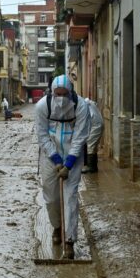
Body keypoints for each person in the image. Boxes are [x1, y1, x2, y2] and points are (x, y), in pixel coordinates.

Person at [35, 75, 90, 259]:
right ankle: (57, 227)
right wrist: (57, 160)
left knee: (70, 197)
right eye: (56, 94)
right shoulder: (43, 106)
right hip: (50, 156)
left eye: (63, 94)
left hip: (73, 157)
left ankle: (70, 241)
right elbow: (42, 135)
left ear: (70, 92)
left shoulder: (81, 106)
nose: (60, 98)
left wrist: (69, 163)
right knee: (51, 197)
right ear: (51, 92)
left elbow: (80, 136)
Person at [82, 98, 104, 173]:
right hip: (96, 125)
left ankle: (91, 167)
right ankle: (92, 166)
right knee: (92, 146)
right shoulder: (89, 103)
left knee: (90, 146)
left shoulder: (85, 106)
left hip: (95, 126)